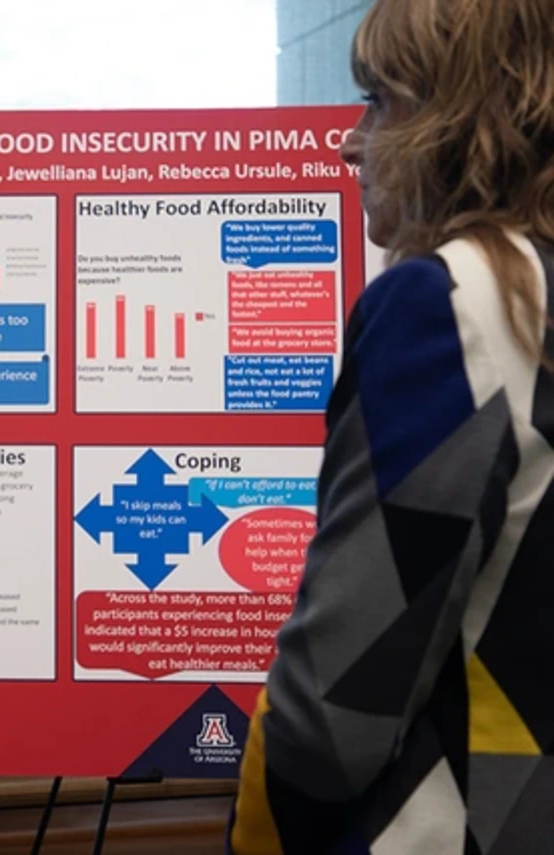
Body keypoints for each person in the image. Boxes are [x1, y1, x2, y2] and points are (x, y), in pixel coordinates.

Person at [228, 0, 554, 851]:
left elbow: (333, 718)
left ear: (464, 119)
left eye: (381, 101)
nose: (349, 139)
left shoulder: (450, 307)